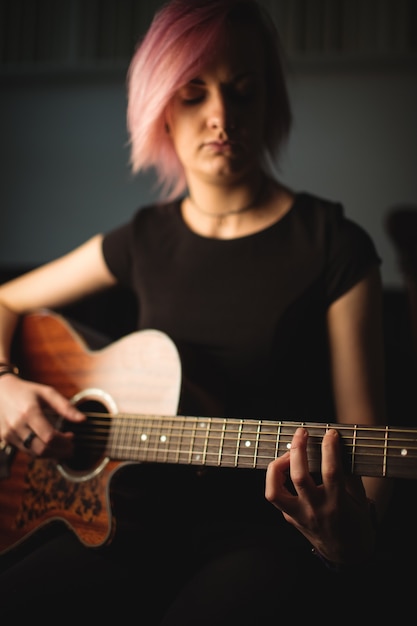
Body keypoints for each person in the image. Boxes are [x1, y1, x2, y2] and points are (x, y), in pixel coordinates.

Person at [0, 0, 392, 621]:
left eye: (243, 91)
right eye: (193, 93)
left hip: (260, 536)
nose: (220, 116)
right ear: (160, 108)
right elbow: (5, 300)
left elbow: (370, 447)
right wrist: (4, 387)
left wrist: (346, 540)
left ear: (270, 105)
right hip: (126, 519)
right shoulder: (140, 238)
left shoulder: (336, 246)